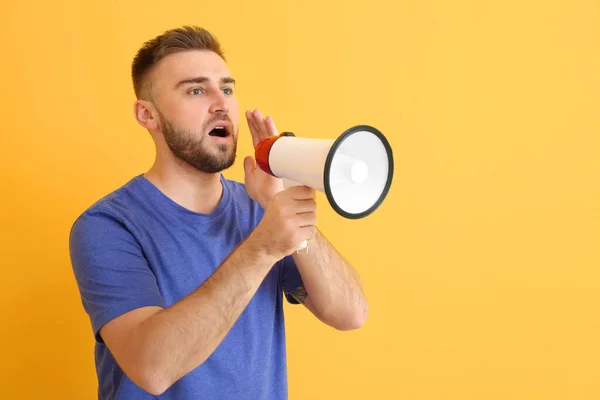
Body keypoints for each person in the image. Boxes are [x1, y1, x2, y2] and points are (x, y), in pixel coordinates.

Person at [69, 25, 368, 400]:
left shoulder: (262, 210)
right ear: (147, 115)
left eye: (226, 89)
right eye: (196, 90)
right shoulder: (107, 225)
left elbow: (350, 313)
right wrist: (263, 247)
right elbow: (152, 368)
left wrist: (284, 205)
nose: (221, 103)